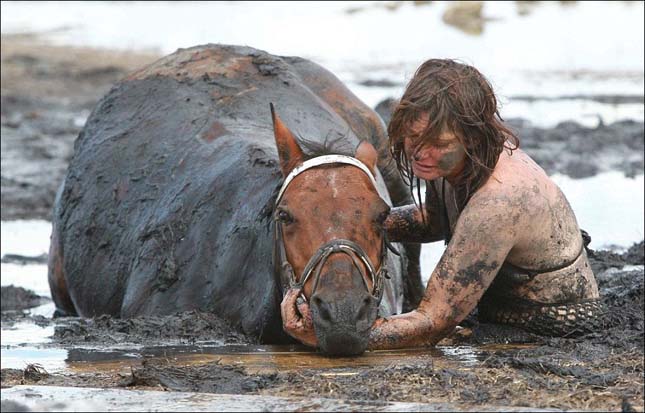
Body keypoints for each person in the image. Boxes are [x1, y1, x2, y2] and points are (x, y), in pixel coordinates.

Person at [281, 59, 603, 349]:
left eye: (438, 144)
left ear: (473, 137)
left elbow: (431, 322)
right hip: (496, 308)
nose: (421, 153)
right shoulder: (454, 160)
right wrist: (353, 226)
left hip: (549, 325)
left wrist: (330, 332)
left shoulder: (500, 202)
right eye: (414, 138)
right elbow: (435, 220)